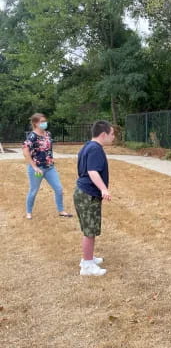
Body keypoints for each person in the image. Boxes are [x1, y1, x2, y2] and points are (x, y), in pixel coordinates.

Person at [74, 120, 115, 276]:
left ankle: (88, 258)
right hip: (88, 194)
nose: (113, 137)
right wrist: (103, 189)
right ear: (103, 134)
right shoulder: (96, 149)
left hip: (83, 192)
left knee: (89, 230)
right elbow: (92, 171)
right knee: (90, 231)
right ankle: (87, 265)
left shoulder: (87, 146)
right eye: (112, 134)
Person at [22, 113, 73, 220]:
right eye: (42, 121)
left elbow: (47, 149)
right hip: (37, 169)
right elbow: (25, 151)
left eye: (45, 121)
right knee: (33, 190)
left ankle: (61, 211)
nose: (44, 123)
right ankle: (29, 212)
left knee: (58, 189)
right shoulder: (32, 136)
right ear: (36, 123)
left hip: (50, 168)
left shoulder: (48, 134)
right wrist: (34, 166)